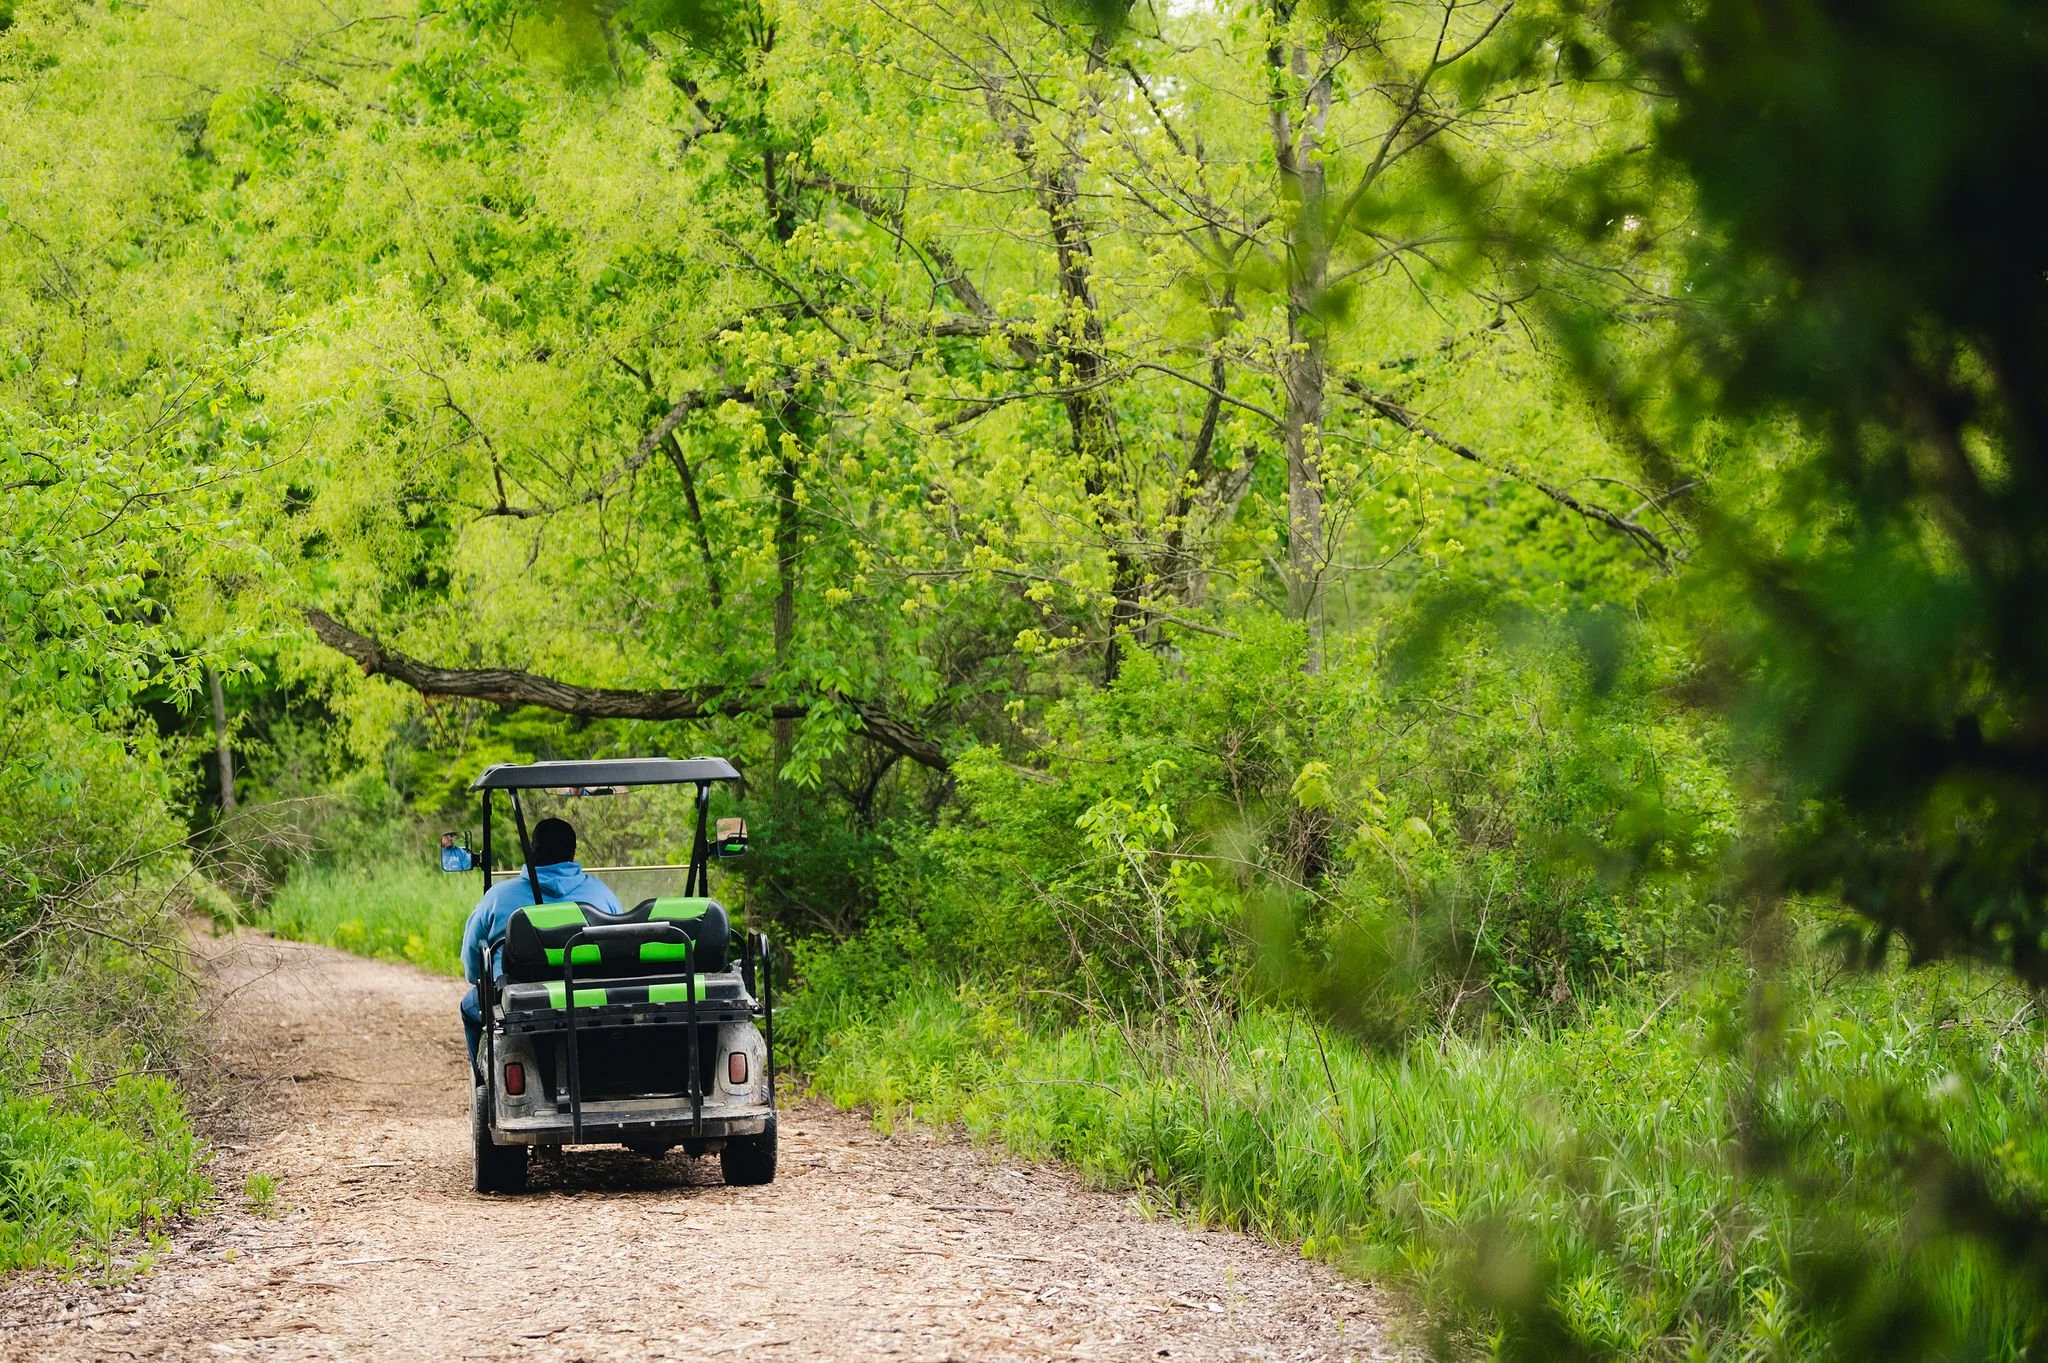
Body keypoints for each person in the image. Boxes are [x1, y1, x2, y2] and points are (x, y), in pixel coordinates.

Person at [458, 817, 622, 1068]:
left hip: (515, 998)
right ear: (573, 853)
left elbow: (472, 959)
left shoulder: (498, 897)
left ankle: (483, 1076)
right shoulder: (602, 895)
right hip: (588, 995)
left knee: (469, 1007)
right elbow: (618, 950)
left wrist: (479, 980)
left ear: (532, 851)